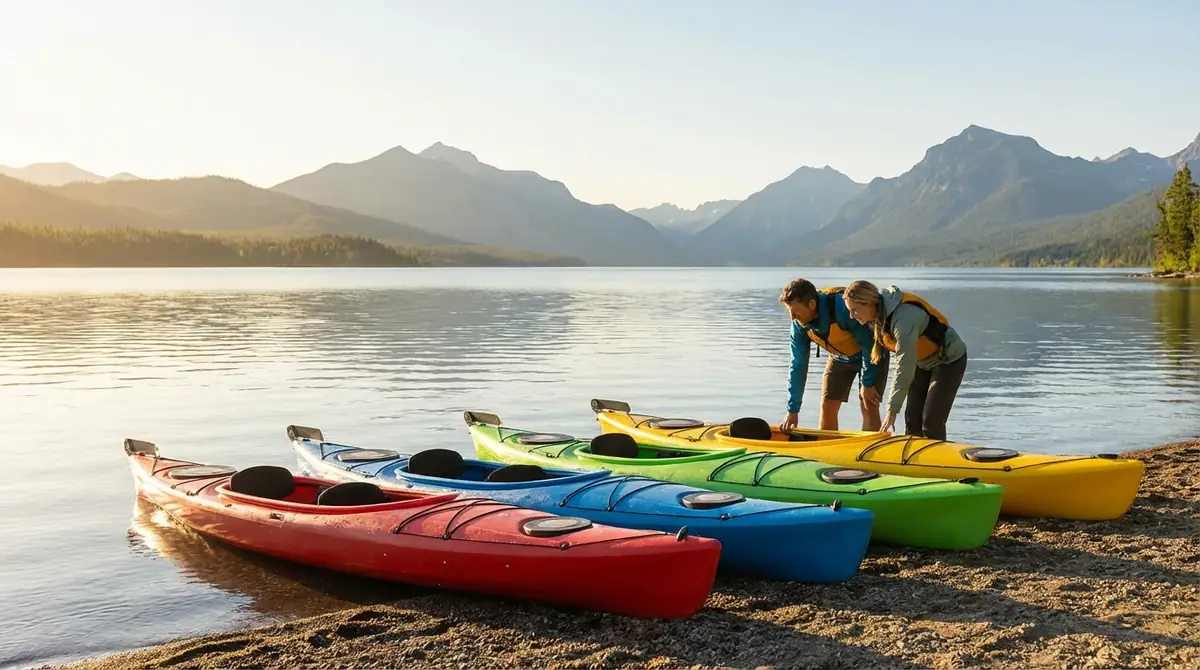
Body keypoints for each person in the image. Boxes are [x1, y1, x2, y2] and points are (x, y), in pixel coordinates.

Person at [841, 280, 967, 441]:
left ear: (868, 303)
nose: (852, 316)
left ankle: (939, 462)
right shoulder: (877, 316)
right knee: (912, 419)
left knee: (931, 420)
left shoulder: (904, 319)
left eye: (854, 310)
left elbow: (904, 365)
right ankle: (914, 462)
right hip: (922, 363)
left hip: (949, 361)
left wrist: (892, 410)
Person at [778, 278, 888, 433]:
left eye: (796, 312)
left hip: (871, 354)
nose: (793, 318)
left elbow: (869, 344)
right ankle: (827, 449)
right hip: (839, 358)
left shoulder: (842, 309)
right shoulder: (799, 326)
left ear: (812, 304)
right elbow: (797, 365)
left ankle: (869, 450)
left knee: (868, 404)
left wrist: (868, 383)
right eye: (790, 313)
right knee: (827, 405)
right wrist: (792, 410)